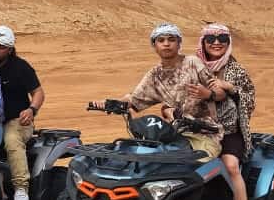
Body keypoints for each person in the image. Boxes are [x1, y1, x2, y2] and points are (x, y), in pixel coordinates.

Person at [91, 23, 227, 160]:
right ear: (154, 46)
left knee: (194, 166)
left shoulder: (193, 63)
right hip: (173, 133)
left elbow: (221, 93)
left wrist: (209, 94)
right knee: (147, 160)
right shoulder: (155, 75)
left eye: (171, 39)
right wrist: (109, 103)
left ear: (179, 43)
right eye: (161, 40)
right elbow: (134, 99)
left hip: (205, 134)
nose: (166, 44)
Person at [187, 22, 266, 200]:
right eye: (211, 39)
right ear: (203, 42)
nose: (216, 43)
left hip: (229, 132)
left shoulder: (236, 70)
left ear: (228, 42)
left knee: (231, 166)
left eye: (222, 39)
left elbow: (250, 99)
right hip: (197, 131)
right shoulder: (191, 67)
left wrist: (231, 88)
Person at [0, 25, 44, 200]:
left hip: (16, 120)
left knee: (12, 140)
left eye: (1, 47)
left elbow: (38, 92)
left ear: (10, 49)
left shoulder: (20, 67)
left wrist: (31, 109)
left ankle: (21, 191)